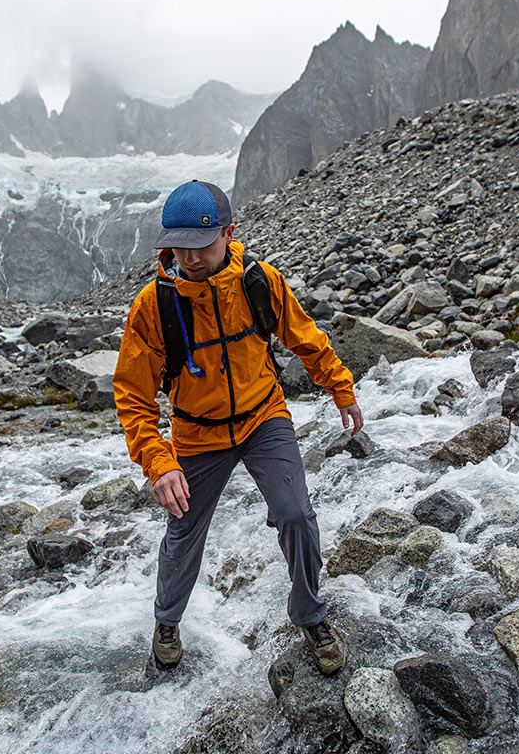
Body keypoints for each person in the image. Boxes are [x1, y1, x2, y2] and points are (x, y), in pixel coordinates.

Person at [113, 179, 364, 675]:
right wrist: (159, 463)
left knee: (296, 515)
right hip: (195, 432)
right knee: (183, 532)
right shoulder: (154, 305)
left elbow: (304, 336)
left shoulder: (259, 282)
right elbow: (133, 396)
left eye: (200, 245)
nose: (188, 258)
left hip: (263, 416)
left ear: (229, 233)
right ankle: (168, 621)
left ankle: (311, 616)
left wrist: (341, 387)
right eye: (177, 246)